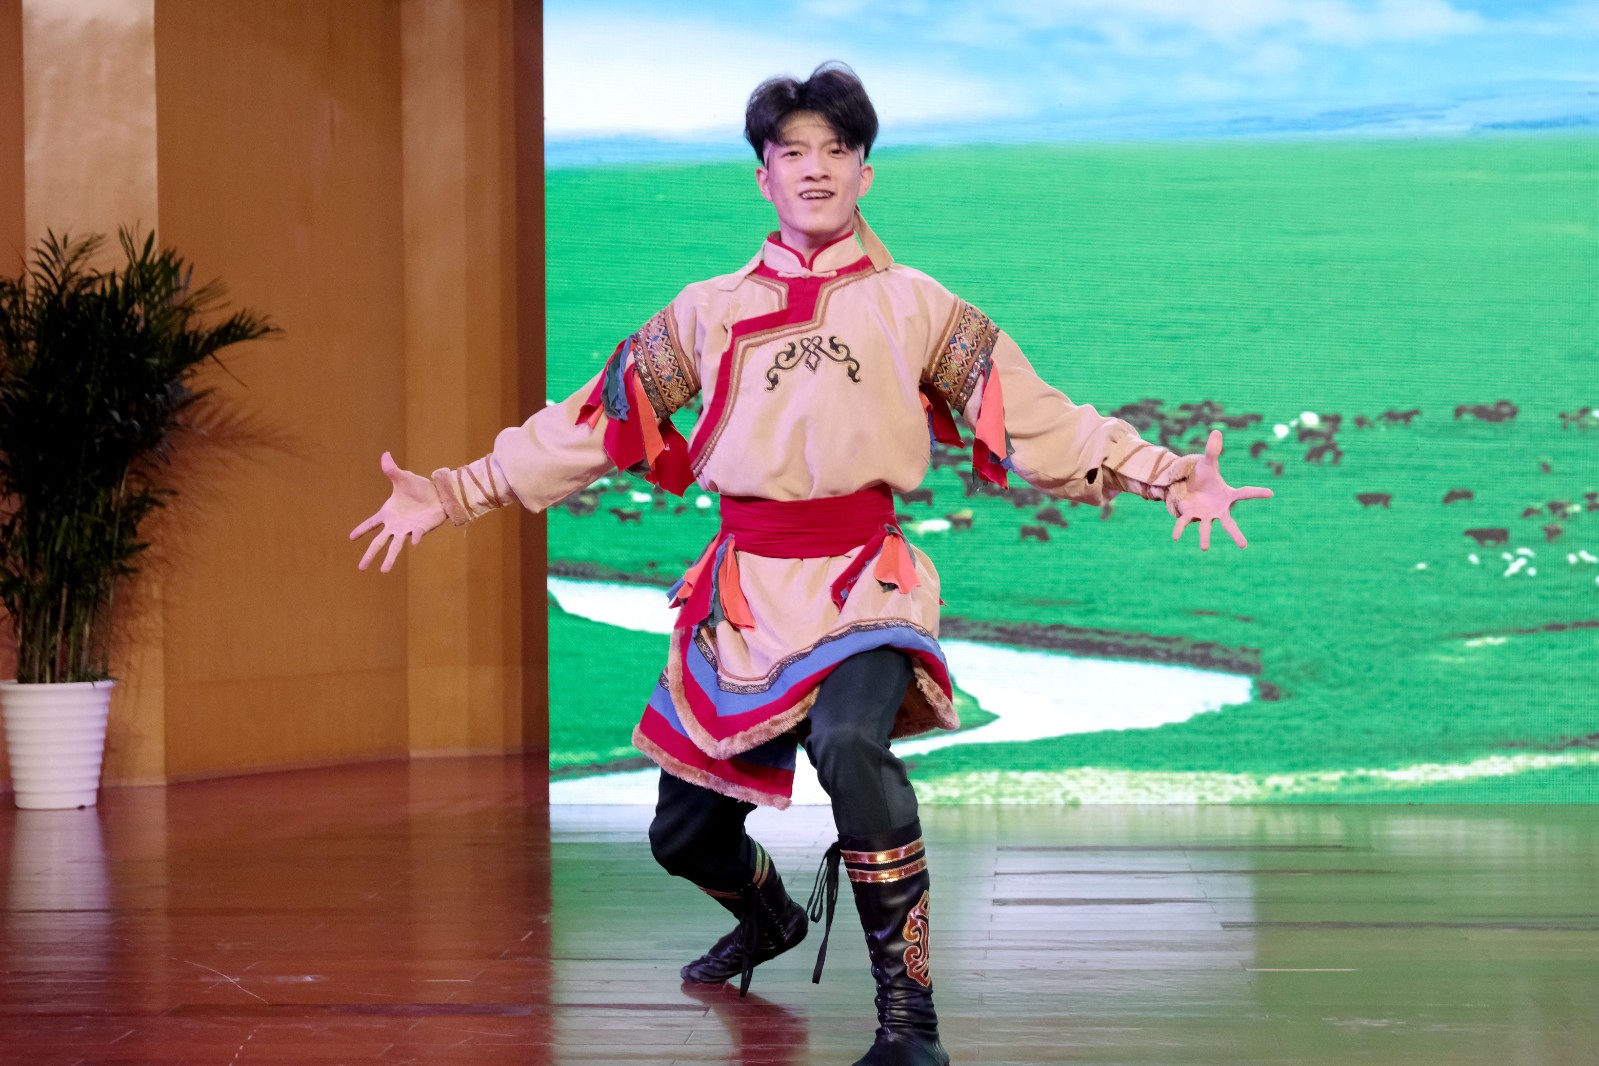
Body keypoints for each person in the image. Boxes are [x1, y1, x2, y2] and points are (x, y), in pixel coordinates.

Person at [351, 62, 1271, 1066]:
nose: (816, 168)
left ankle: (909, 1027)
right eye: (793, 151)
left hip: (863, 580)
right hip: (741, 597)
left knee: (847, 745)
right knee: (682, 837)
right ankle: (770, 916)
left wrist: (1166, 474)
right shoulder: (704, 311)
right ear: (764, 176)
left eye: (837, 149)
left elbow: (1037, 418)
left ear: (865, 172)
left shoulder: (920, 307)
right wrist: (455, 491)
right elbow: (595, 418)